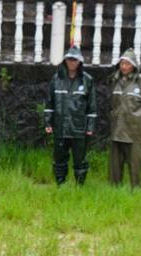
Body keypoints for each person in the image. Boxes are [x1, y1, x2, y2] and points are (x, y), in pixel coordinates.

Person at [44, 45, 97, 185]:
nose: (72, 62)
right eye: (69, 59)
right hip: (60, 127)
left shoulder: (87, 80)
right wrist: (48, 123)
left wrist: (90, 127)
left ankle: (80, 185)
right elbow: (49, 103)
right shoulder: (56, 79)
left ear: (79, 62)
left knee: (80, 159)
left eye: (75, 60)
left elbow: (92, 106)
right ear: (65, 61)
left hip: (79, 128)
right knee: (59, 158)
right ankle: (60, 184)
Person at [109, 48, 141, 188]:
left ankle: (136, 188)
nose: (124, 67)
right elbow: (111, 103)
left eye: (127, 64)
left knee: (135, 162)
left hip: (135, 130)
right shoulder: (114, 80)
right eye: (122, 63)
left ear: (134, 65)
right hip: (117, 127)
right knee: (115, 163)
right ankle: (114, 188)